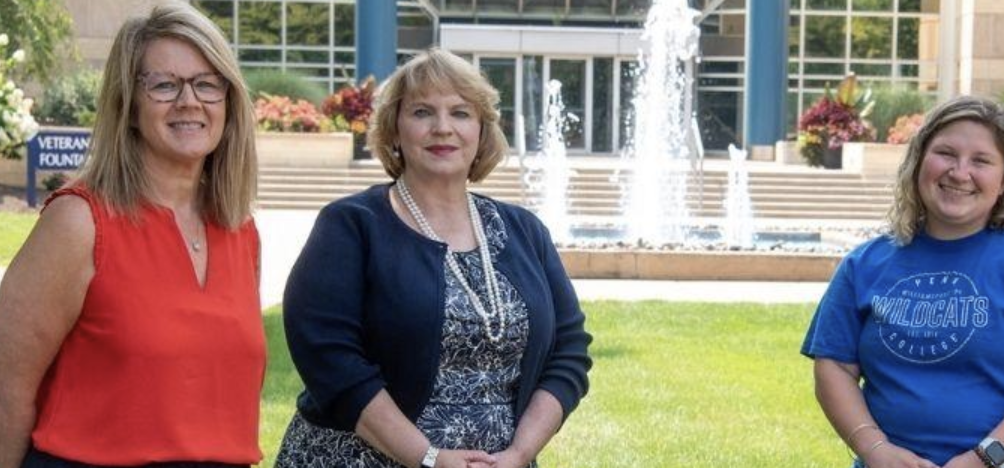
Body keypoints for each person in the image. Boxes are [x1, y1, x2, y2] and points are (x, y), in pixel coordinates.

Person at [274, 49, 592, 468]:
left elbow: (568, 351)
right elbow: (330, 358)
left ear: (482, 129)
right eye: (422, 112)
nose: (443, 128)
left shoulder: (524, 231)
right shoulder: (351, 227)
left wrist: (520, 453)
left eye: (460, 113)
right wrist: (427, 458)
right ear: (394, 129)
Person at [0, 2, 263, 467]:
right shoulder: (80, 222)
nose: (190, 101)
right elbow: (7, 384)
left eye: (207, 83)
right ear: (129, 105)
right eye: (164, 84)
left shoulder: (239, 230)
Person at [801, 96, 1004, 468]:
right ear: (918, 162)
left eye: (981, 160)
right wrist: (875, 450)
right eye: (945, 153)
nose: (960, 173)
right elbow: (834, 367)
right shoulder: (865, 264)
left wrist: (985, 459)